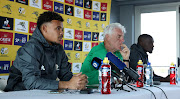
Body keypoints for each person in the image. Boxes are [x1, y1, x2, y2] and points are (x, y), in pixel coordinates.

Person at [4, 11, 87, 91]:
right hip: (19, 93)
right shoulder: (30, 48)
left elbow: (65, 75)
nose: (62, 33)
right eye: (58, 28)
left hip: (43, 92)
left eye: (62, 29)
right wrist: (67, 85)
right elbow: (31, 83)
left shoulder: (59, 49)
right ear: (44, 29)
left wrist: (78, 81)